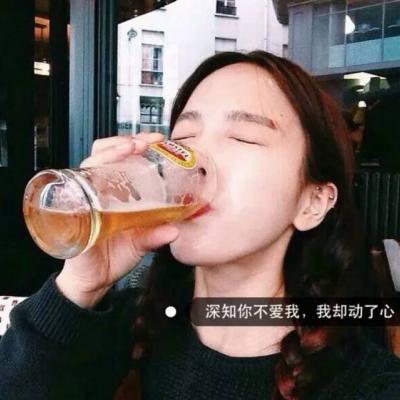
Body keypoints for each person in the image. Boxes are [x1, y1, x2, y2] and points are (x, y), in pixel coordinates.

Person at [1, 50, 400, 400]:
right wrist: (79, 287)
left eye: (243, 137)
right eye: (185, 137)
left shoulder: (367, 384)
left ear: (313, 202)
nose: (196, 161)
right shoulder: (122, 329)